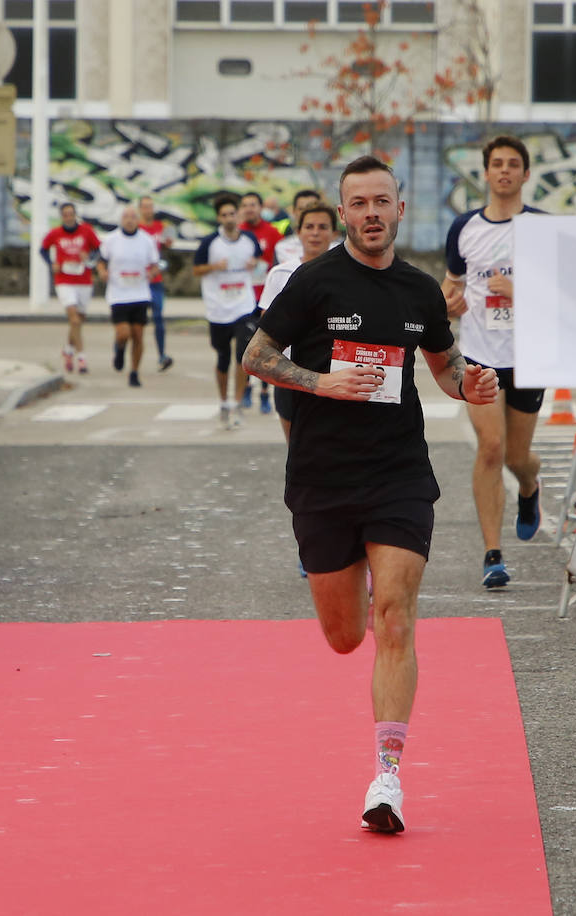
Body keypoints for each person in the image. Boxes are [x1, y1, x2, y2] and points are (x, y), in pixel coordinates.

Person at [242, 155, 499, 835]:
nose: (371, 214)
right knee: (345, 634)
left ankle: (387, 776)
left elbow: (443, 367)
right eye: (358, 204)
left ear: (400, 209)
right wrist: (320, 382)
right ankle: (349, 582)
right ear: (344, 211)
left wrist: (467, 384)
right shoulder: (313, 283)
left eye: (381, 201)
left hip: (398, 474)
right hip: (324, 479)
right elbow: (257, 356)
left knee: (397, 615)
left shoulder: (417, 291)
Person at [440, 135, 546, 590]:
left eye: (513, 164)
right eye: (496, 163)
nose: (504, 170)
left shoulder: (544, 229)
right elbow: (451, 287)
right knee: (491, 447)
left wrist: (521, 293)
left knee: (518, 458)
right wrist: (449, 304)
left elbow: (569, 300)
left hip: (529, 357)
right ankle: (492, 555)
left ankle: (529, 486)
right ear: (485, 173)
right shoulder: (464, 228)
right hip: (479, 358)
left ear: (525, 175)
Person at [254, 202, 339, 579]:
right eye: (310, 226)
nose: (316, 233)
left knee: (341, 462)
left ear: (334, 233)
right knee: (302, 463)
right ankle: (309, 545)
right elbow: (266, 333)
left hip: (334, 380)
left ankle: (347, 545)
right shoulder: (280, 274)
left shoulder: (347, 273)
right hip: (291, 380)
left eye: (323, 226)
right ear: (299, 232)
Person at [194, 194, 262, 430]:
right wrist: (214, 267)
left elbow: (259, 260)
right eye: (224, 215)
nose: (229, 218)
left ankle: (237, 403)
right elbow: (196, 270)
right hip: (218, 308)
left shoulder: (249, 239)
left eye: (232, 214)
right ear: (219, 218)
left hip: (243, 305)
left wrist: (255, 264)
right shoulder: (210, 242)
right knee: (222, 358)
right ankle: (223, 401)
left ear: (238, 215)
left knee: (243, 356)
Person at [98, 205, 160, 388]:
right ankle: (119, 348)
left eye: (133, 217)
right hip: (118, 293)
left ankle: (134, 372)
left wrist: (152, 273)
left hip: (140, 293)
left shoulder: (146, 240)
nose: (130, 220)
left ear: (138, 219)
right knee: (124, 332)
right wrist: (102, 272)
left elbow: (156, 264)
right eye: (126, 217)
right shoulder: (111, 240)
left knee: (138, 335)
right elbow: (101, 262)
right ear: (121, 220)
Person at [40, 202, 102, 373]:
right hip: (64, 280)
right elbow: (43, 249)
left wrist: (88, 257)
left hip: (83, 280)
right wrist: (51, 264)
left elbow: (98, 251)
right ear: (62, 217)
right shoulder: (55, 234)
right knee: (74, 319)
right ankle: (81, 358)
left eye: (71, 214)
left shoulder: (86, 231)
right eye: (65, 214)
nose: (69, 217)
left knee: (79, 321)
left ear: (75, 215)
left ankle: (68, 349)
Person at [239, 191, 285, 414]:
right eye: (245, 205)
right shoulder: (238, 234)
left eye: (253, 204)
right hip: (243, 298)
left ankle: (265, 393)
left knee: (266, 345)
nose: (249, 209)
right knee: (246, 343)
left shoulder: (273, 233)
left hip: (267, 298)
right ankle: (246, 387)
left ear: (260, 207)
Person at [138, 195, 176, 372]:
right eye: (145, 207)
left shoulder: (161, 228)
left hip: (155, 281)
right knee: (134, 321)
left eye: (150, 207)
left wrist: (167, 245)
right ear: (140, 209)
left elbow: (164, 252)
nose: (148, 210)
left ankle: (162, 355)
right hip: (137, 282)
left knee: (159, 318)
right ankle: (121, 349)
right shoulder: (135, 228)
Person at [273, 188, 326, 265]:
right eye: (301, 209)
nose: (306, 213)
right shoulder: (281, 247)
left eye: (310, 208)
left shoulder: (335, 248)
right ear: (294, 212)